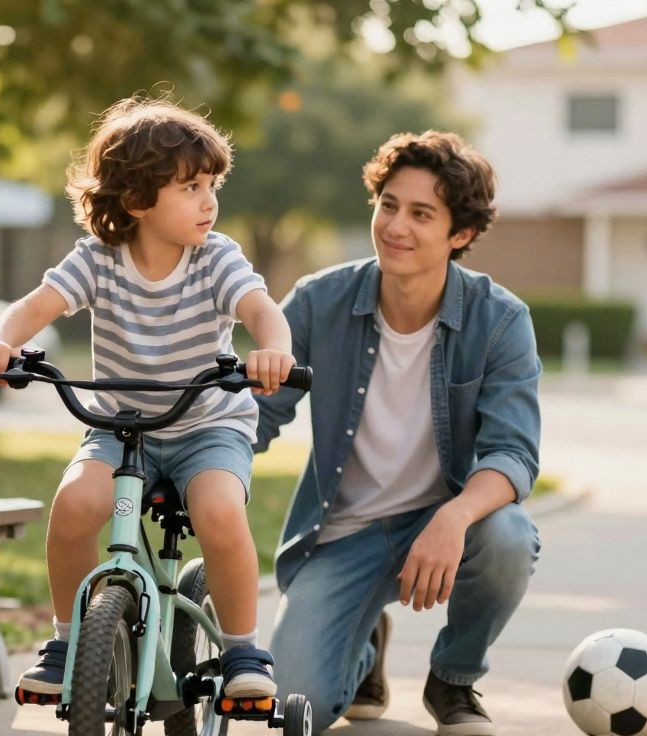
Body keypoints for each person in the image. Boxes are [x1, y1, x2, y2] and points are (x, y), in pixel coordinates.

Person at [0, 96, 296, 700]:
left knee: (220, 511)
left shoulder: (216, 257)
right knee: (71, 509)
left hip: (208, 425)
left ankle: (245, 650)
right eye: (191, 186)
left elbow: (260, 310)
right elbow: (32, 309)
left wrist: (273, 350)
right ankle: (67, 641)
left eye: (212, 184)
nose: (209, 200)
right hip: (117, 427)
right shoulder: (98, 260)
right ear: (139, 201)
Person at [253, 130, 542, 735]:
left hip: (444, 524)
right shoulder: (317, 302)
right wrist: (196, 462)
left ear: (459, 234)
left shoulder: (500, 320)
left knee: (508, 537)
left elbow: (512, 454)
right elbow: (257, 414)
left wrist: (455, 517)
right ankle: (363, 653)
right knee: (296, 706)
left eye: (420, 214)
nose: (395, 227)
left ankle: (454, 680)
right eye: (388, 205)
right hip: (342, 534)